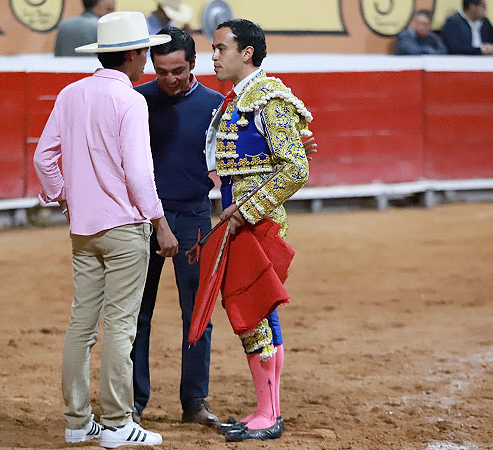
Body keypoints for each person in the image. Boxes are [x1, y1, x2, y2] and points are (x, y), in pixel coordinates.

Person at [34, 11, 178, 449]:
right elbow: (137, 172)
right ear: (134, 54)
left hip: (83, 230)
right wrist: (160, 222)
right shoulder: (130, 101)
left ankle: (78, 420)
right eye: (147, 52)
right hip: (124, 229)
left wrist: (63, 196)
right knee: (120, 326)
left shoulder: (71, 93)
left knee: (82, 324)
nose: (148, 60)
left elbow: (43, 158)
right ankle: (117, 422)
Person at [205, 18, 312, 442]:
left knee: (253, 315)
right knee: (261, 314)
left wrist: (246, 212)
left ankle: (270, 415)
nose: (213, 56)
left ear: (246, 52)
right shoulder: (238, 99)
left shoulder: (268, 98)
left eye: (220, 48)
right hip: (244, 221)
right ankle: (268, 409)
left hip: (258, 223)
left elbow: (295, 167)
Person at [130, 27, 223, 428]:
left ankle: (194, 402)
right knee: (135, 314)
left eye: (178, 71)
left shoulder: (217, 106)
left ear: (193, 64)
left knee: (197, 313)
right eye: (162, 70)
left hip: (193, 217)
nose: (169, 79)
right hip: (141, 218)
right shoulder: (136, 101)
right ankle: (132, 402)